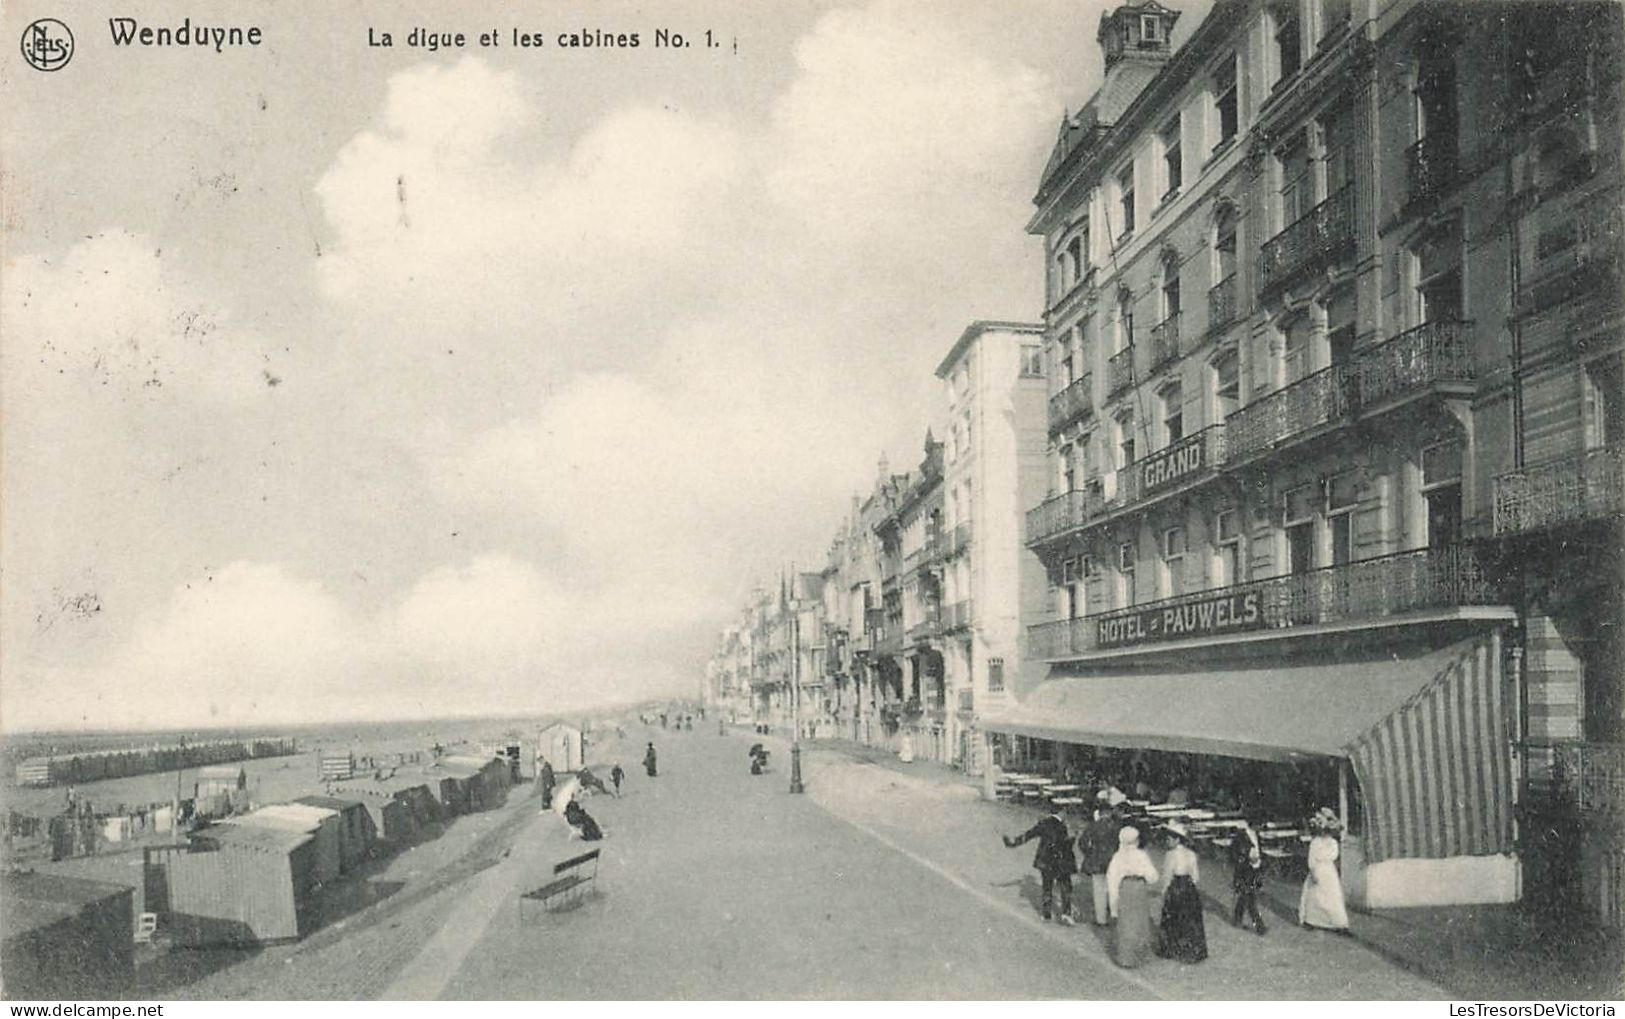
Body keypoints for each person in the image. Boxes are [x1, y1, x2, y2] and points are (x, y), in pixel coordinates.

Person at [1002, 808, 1077, 924]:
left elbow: (1028, 835)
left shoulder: (1044, 823)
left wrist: (1013, 843)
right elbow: (1068, 843)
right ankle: (1066, 914)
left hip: (1046, 860)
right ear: (1062, 812)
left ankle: (1046, 914)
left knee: (1047, 887)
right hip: (1062, 861)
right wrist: (1073, 836)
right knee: (1065, 886)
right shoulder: (1065, 826)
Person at [1106, 826, 1159, 968]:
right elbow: (1153, 876)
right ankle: (1140, 955)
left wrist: (1113, 903)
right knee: (1140, 920)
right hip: (1139, 888)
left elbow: (1112, 879)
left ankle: (1126, 958)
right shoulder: (1142, 855)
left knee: (1126, 922)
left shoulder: (1118, 856)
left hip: (1126, 888)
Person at [1156, 823, 1208, 962]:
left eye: (1169, 839)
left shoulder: (1170, 855)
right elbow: (1196, 876)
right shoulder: (1191, 854)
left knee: (1172, 919)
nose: (1167, 841)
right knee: (1190, 919)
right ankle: (1191, 950)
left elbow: (1167, 875)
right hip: (1189, 887)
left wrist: (1164, 891)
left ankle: (1171, 949)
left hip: (1176, 886)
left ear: (1177, 840)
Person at [1299, 807, 1350, 932]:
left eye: (1328, 831)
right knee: (1315, 896)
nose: (1326, 834)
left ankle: (1338, 923)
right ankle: (1312, 920)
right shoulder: (1315, 842)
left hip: (1329, 872)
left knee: (1333, 898)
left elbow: (1334, 856)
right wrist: (1313, 872)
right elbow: (1311, 859)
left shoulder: (1333, 842)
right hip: (1318, 870)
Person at [1078, 791, 1122, 926]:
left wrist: (1090, 853)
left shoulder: (1093, 826)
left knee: (1099, 890)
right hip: (1113, 861)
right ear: (1110, 812)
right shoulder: (1117, 827)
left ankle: (1101, 919)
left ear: (1100, 812)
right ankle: (1115, 914)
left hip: (1096, 860)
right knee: (1114, 888)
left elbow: (1082, 843)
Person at [1231, 814, 1268, 935]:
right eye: (1259, 824)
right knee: (1250, 897)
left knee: (1245, 896)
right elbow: (1235, 854)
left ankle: (1237, 918)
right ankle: (1259, 926)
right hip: (1245, 870)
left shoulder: (1256, 835)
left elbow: (1259, 850)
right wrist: (1247, 857)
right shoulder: (1241, 836)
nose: (1261, 827)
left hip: (1254, 869)